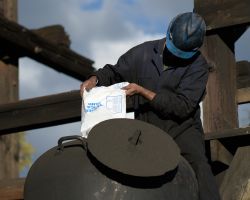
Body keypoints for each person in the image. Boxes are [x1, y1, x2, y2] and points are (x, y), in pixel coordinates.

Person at [80, 12, 221, 200]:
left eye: (183, 53)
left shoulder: (198, 66)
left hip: (183, 128)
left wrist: (143, 91)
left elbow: (182, 107)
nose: (176, 55)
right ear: (169, 33)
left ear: (195, 49)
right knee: (136, 174)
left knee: (200, 168)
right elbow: (115, 71)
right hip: (146, 128)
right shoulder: (143, 53)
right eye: (174, 48)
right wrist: (95, 79)